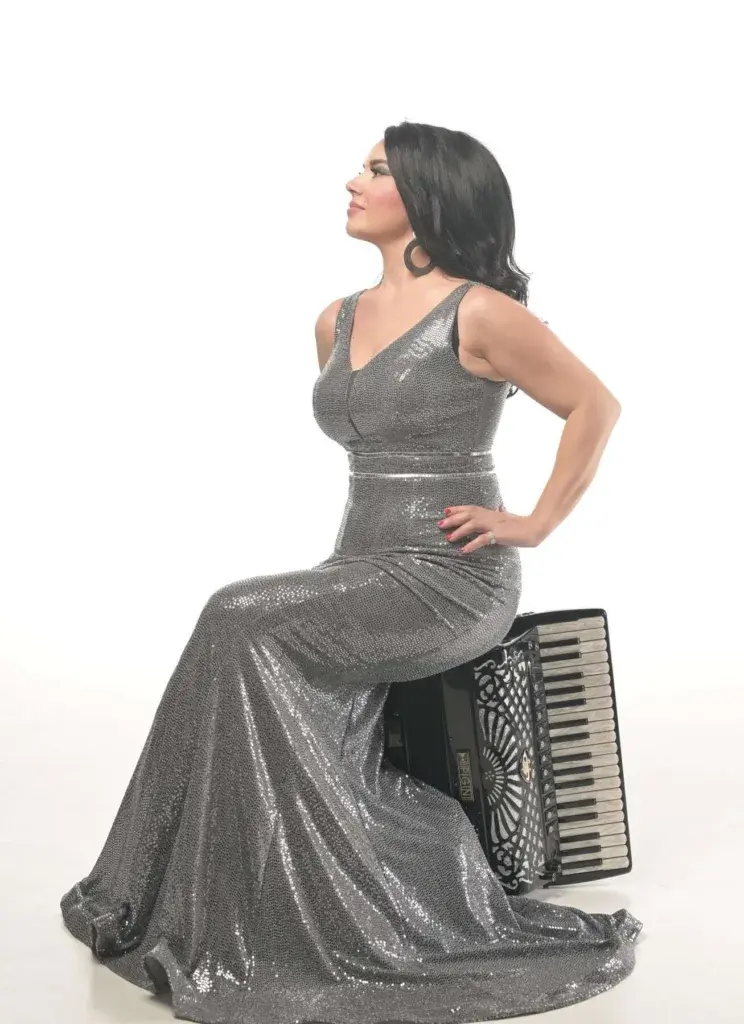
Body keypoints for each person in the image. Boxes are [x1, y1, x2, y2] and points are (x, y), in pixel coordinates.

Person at [60, 120, 642, 1023]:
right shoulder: (334, 319)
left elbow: (595, 405)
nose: (352, 182)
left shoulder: (480, 312)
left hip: (451, 578)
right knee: (250, 650)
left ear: (430, 194)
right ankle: (219, 904)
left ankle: (283, 916)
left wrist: (533, 523)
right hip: (361, 563)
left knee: (235, 614)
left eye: (376, 170)